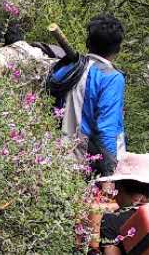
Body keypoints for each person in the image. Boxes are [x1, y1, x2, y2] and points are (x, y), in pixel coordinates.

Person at [47, 14, 126, 174]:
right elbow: (106, 129)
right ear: (117, 48)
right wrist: (110, 173)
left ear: (88, 42)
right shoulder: (111, 78)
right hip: (87, 166)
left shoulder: (67, 69)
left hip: (55, 157)